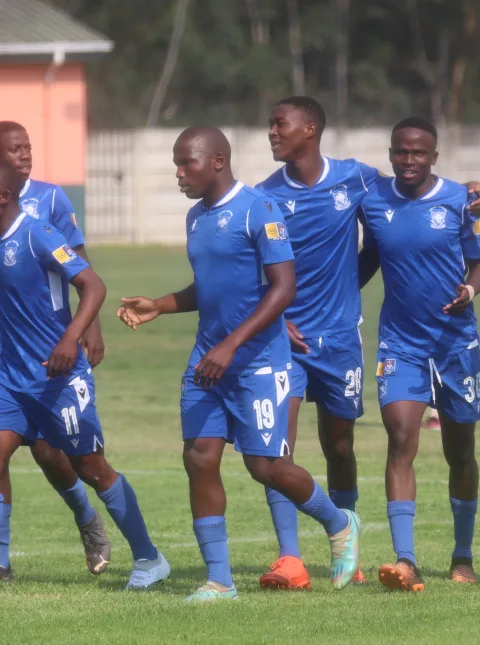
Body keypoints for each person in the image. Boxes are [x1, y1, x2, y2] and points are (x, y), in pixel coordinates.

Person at [116, 126, 360, 602]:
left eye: (187, 162)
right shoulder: (195, 217)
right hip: (208, 360)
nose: (179, 172)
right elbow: (210, 288)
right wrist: (160, 305)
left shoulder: (259, 209)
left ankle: (339, 523)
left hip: (258, 363)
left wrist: (231, 346)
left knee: (266, 466)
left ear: (218, 161)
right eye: (176, 163)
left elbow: (283, 289)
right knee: (199, 457)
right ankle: (220, 580)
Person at [255, 96, 480, 590]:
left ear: (310, 129)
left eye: (279, 123)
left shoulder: (359, 181)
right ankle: (297, 559)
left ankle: (379, 551)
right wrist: (274, 315)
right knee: (281, 447)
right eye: (400, 152)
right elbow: (252, 260)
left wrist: (471, 194)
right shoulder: (267, 195)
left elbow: (440, 213)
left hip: (363, 341)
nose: (271, 131)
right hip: (305, 340)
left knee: (346, 447)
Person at [0, 162, 169, 589]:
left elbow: (93, 285)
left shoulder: (37, 234)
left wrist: (70, 338)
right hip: (10, 379)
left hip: (57, 376)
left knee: (92, 468)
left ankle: (149, 558)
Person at [359, 116, 480, 591]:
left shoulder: (460, 201)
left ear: (434, 157)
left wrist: (470, 290)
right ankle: (405, 560)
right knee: (401, 437)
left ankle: (463, 555)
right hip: (400, 343)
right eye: (400, 151)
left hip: (455, 344)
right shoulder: (373, 201)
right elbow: (368, 257)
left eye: (418, 153)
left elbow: (478, 260)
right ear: (390, 154)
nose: (408, 160)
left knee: (460, 452)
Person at [0, 121, 109, 575]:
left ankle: (87, 519)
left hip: (48, 349)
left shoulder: (50, 198)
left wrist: (89, 328)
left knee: (49, 454)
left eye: (27, 147)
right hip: (6, 351)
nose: (25, 155)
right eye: (14, 149)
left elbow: (80, 267)